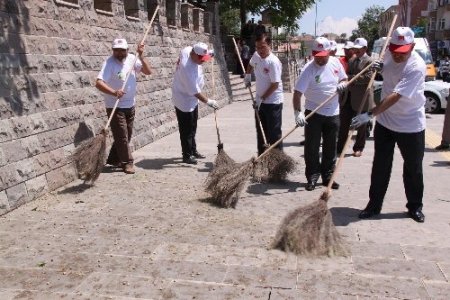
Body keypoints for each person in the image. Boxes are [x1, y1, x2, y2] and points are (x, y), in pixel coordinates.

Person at [352, 27, 426, 223]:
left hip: (410, 123)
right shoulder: (388, 54)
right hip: (386, 122)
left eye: (401, 52)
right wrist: (378, 68)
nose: (396, 55)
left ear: (411, 47)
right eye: (394, 51)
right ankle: (373, 205)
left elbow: (396, 95)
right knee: (381, 165)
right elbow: (383, 71)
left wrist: (370, 114)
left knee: (413, 168)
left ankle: (415, 206)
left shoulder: (416, 66)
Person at [292, 36, 348, 191]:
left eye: (323, 56)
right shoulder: (308, 70)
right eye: (317, 57)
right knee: (312, 147)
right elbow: (297, 94)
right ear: (313, 53)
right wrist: (298, 113)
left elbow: (345, 78)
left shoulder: (336, 63)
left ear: (329, 52)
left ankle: (328, 176)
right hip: (313, 113)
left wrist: (343, 84)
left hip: (333, 113)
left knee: (331, 147)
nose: (321, 60)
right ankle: (312, 176)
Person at [96, 38, 152, 174]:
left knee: (127, 134)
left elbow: (148, 71)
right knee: (122, 135)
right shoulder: (109, 63)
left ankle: (114, 159)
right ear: (113, 51)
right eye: (116, 50)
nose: (119, 53)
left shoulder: (133, 58)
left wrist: (141, 55)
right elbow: (98, 83)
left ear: (127, 50)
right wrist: (114, 92)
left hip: (130, 104)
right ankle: (127, 162)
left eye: (122, 50)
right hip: (115, 105)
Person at [172, 42, 219, 165]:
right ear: (193, 54)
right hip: (184, 99)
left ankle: (193, 150)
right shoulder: (186, 69)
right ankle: (187, 155)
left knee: (193, 126)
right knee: (186, 129)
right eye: (201, 59)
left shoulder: (189, 50)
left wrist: (210, 53)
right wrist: (209, 101)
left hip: (192, 98)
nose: (203, 61)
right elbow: (194, 91)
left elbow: (200, 53)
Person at [244, 33, 284, 155]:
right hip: (260, 102)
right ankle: (262, 157)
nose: (260, 50)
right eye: (257, 47)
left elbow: (275, 85)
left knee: (274, 133)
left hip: (273, 103)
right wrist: (248, 75)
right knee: (261, 132)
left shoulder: (273, 62)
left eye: (262, 47)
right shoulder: (256, 56)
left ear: (269, 45)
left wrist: (262, 98)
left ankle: (277, 161)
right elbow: (250, 64)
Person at [337, 37, 374, 157]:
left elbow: (368, 77)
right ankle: (340, 147)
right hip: (348, 97)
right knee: (344, 123)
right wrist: (350, 78)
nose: (356, 51)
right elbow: (346, 75)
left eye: (358, 49)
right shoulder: (353, 60)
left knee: (361, 125)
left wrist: (352, 78)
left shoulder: (370, 61)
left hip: (362, 98)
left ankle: (358, 148)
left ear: (365, 48)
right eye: (355, 49)